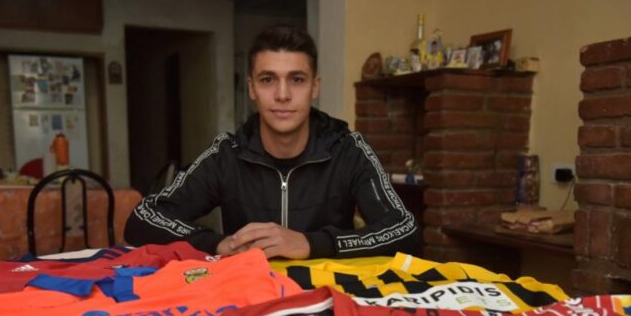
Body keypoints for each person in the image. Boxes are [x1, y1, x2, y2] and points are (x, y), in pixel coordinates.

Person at [124, 25, 418, 259]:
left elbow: (404, 229)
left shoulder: (348, 149)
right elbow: (143, 219)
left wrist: (311, 243)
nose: (282, 95)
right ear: (252, 88)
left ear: (315, 87)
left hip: (330, 298)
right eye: (268, 80)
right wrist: (218, 243)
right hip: (251, 298)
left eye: (297, 79)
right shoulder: (227, 155)